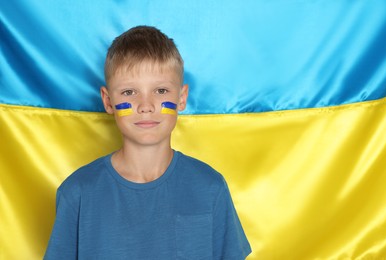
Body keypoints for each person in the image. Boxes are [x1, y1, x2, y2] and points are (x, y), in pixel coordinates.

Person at [44, 25, 251, 259]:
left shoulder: (210, 187)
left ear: (181, 98)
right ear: (108, 100)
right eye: (129, 92)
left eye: (161, 90)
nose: (146, 105)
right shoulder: (77, 193)